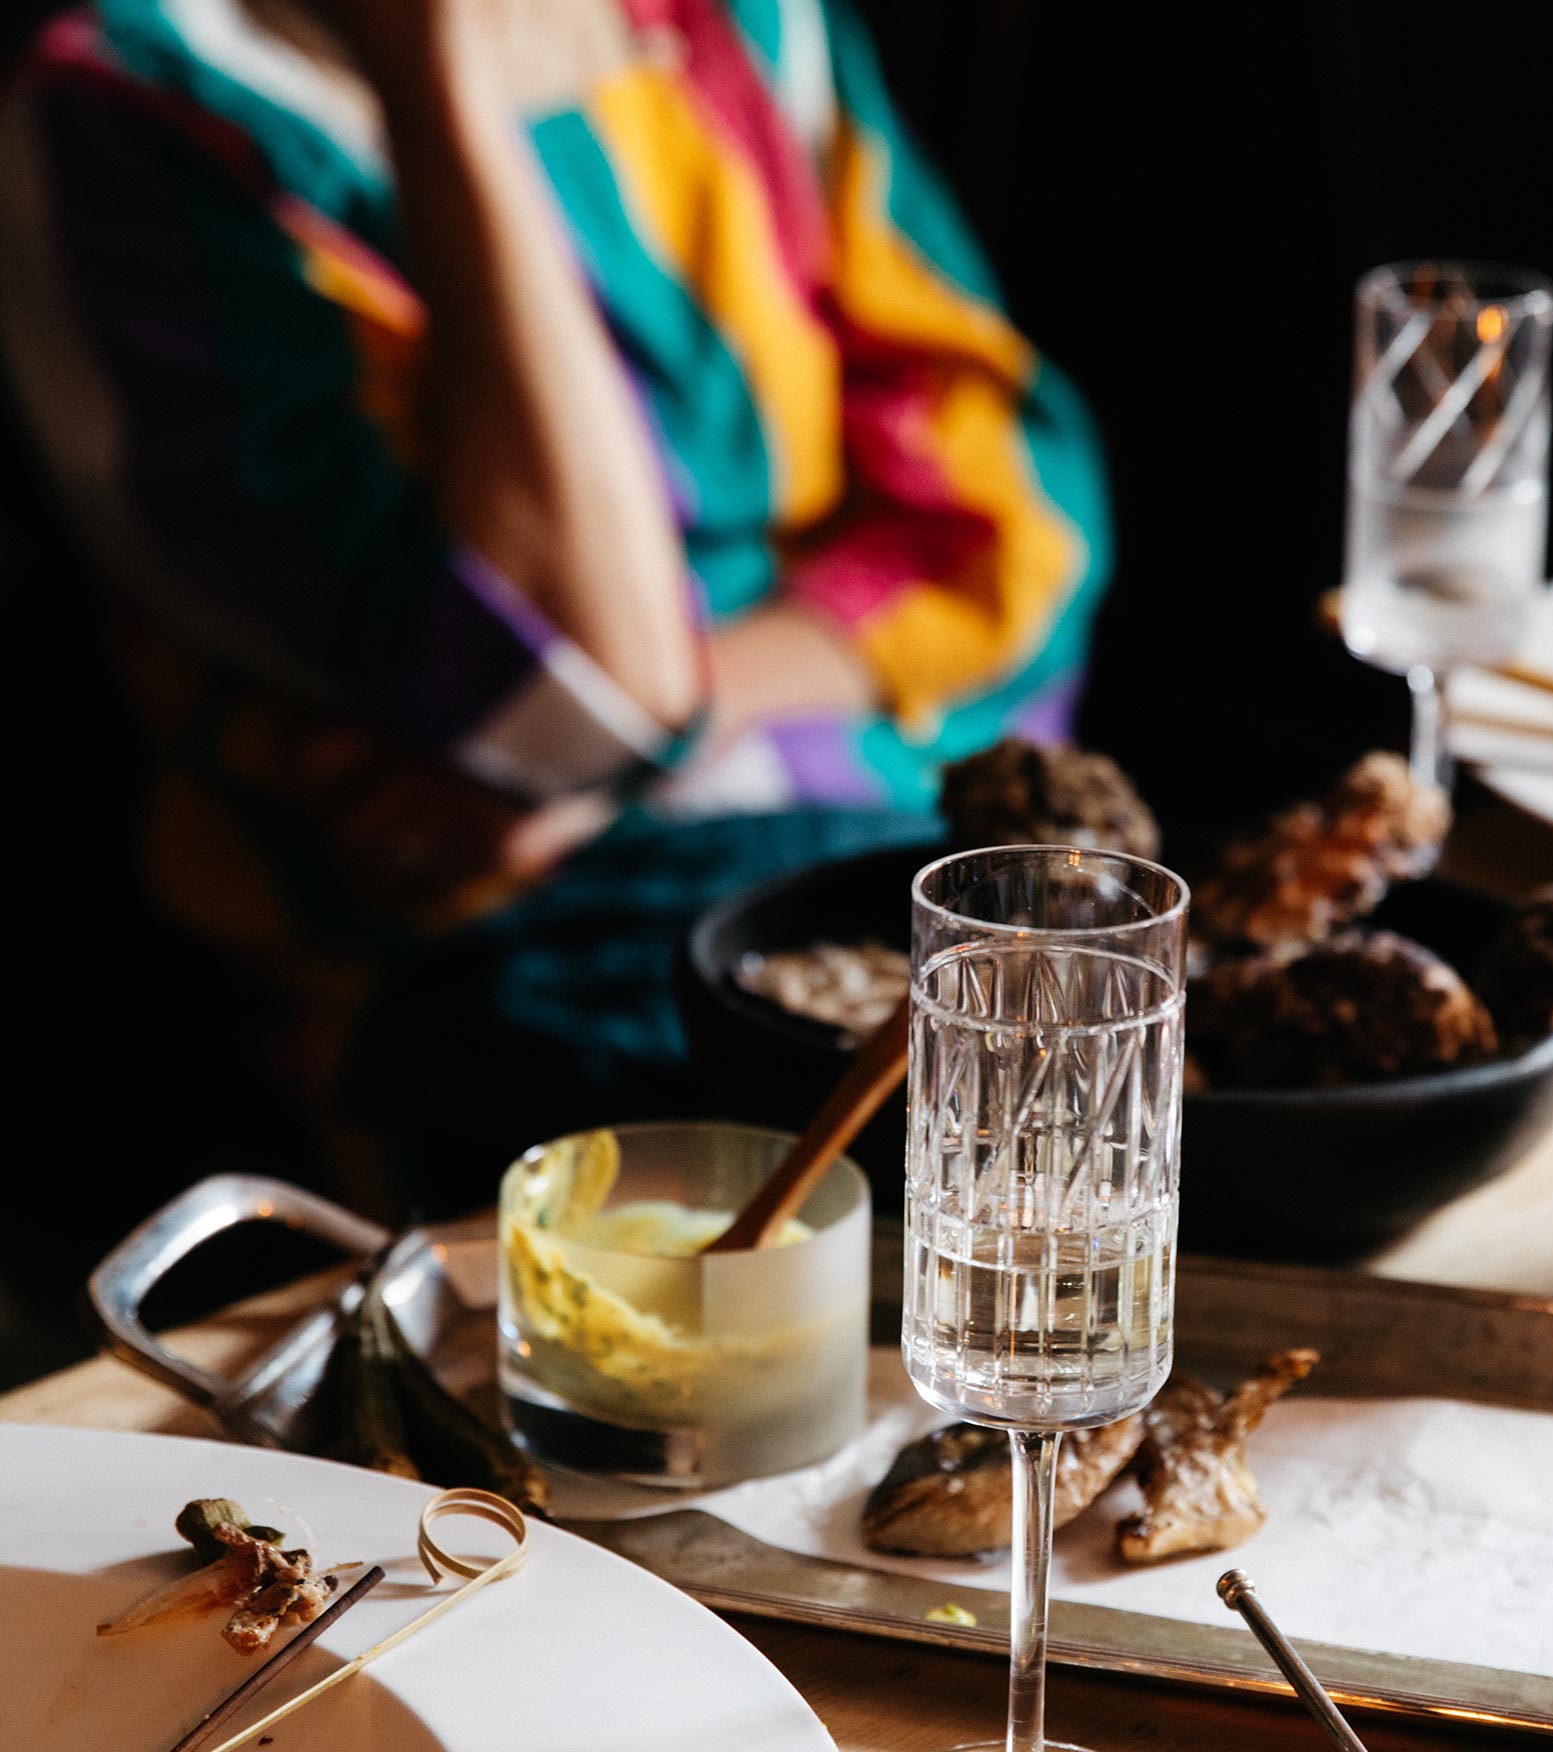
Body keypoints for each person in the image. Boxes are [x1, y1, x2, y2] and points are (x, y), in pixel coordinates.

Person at [0, 0, 1109, 1202]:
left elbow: (1017, 511)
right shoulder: (141, 105)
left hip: (893, 827)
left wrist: (661, 735)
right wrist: (440, 87)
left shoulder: (735, 28)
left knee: (1151, 1137)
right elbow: (557, 683)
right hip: (506, 931)